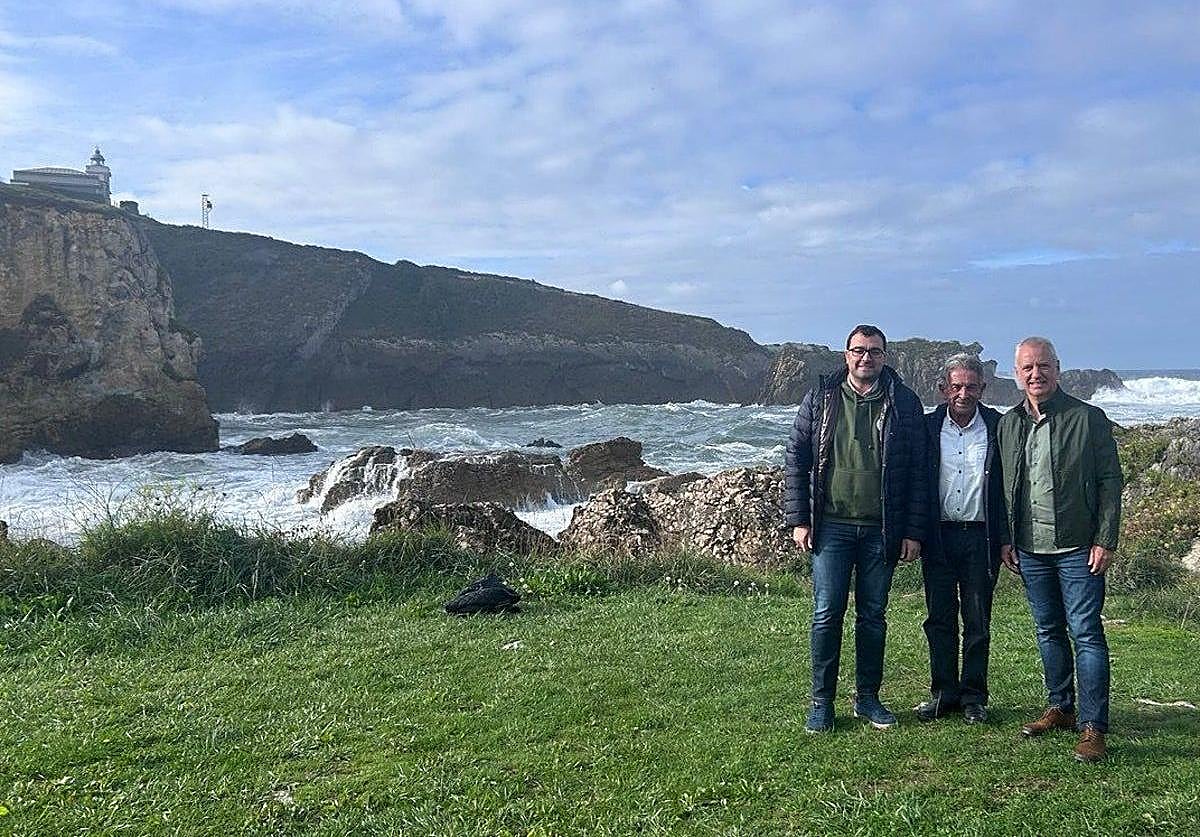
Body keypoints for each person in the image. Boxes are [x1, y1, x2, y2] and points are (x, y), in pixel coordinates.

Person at [784, 324, 928, 733]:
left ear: (885, 356)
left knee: (873, 616)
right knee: (826, 613)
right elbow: (796, 456)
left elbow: (919, 470)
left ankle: (868, 698)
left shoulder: (904, 401)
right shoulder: (822, 397)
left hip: (881, 530)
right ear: (846, 354)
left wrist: (913, 531)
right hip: (830, 528)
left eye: (875, 352)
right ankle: (821, 703)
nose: (867, 358)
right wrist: (799, 519)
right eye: (859, 350)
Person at [996, 336, 1122, 763]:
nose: (1036, 374)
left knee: (1086, 634)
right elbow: (1003, 488)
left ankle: (1093, 727)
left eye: (1043, 366)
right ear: (1017, 375)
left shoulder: (1089, 418)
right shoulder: (1008, 423)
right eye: (1027, 368)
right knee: (1048, 631)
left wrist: (1106, 538)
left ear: (1058, 368)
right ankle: (1060, 708)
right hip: (1030, 548)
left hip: (1078, 547)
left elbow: (1109, 482)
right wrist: (1006, 539)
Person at [915, 354, 1008, 725]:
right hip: (938, 536)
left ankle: (974, 696)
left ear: (983, 389)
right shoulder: (926, 427)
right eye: (956, 386)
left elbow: (1010, 490)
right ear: (943, 389)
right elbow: (914, 483)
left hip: (981, 538)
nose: (964, 393)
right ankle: (943, 693)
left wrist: (1006, 538)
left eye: (971, 386)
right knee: (939, 619)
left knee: (977, 620)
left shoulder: (1000, 427)